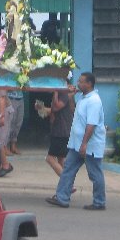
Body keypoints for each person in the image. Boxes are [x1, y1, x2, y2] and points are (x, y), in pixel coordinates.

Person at [46, 72, 106, 210]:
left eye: (81, 81)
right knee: (68, 169)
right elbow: (73, 110)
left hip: (89, 145)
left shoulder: (94, 101)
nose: (78, 83)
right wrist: (71, 96)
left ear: (89, 84)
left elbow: (91, 125)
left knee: (95, 173)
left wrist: (84, 144)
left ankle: (99, 202)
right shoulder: (83, 98)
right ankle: (62, 198)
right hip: (76, 144)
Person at [44, 79, 75, 178]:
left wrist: (55, 91)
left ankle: (67, 182)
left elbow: (56, 107)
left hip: (61, 131)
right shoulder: (64, 93)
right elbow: (54, 110)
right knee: (61, 159)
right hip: (61, 130)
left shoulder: (64, 94)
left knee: (50, 158)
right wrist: (42, 108)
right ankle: (66, 186)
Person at [6, 89, 25, 155]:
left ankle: (13, 146)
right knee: (10, 122)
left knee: (18, 122)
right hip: (10, 97)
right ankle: (5, 147)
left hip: (20, 97)